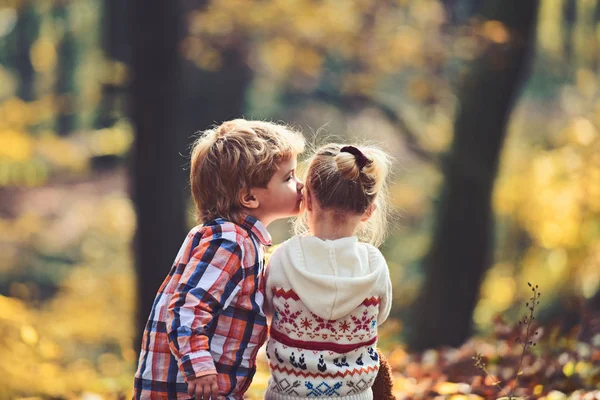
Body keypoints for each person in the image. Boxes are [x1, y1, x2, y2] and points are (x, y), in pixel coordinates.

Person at [133, 119, 305, 400]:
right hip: (188, 390)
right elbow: (187, 306)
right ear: (249, 197)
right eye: (288, 178)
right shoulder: (230, 241)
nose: (300, 185)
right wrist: (199, 367)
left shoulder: (239, 240)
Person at [263, 143, 394, 399]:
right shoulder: (375, 264)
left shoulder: (282, 258)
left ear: (307, 199)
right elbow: (381, 316)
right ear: (369, 210)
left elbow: (268, 312)